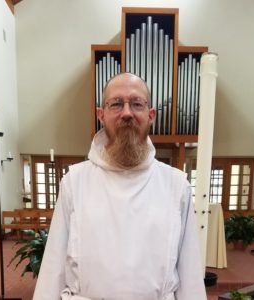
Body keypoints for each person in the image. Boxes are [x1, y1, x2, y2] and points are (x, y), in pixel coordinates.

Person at [33, 72, 207, 300]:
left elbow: (190, 272)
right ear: (101, 114)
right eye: (116, 104)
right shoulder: (75, 182)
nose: (127, 113)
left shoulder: (176, 185)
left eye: (136, 104)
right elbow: (53, 268)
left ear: (150, 114)